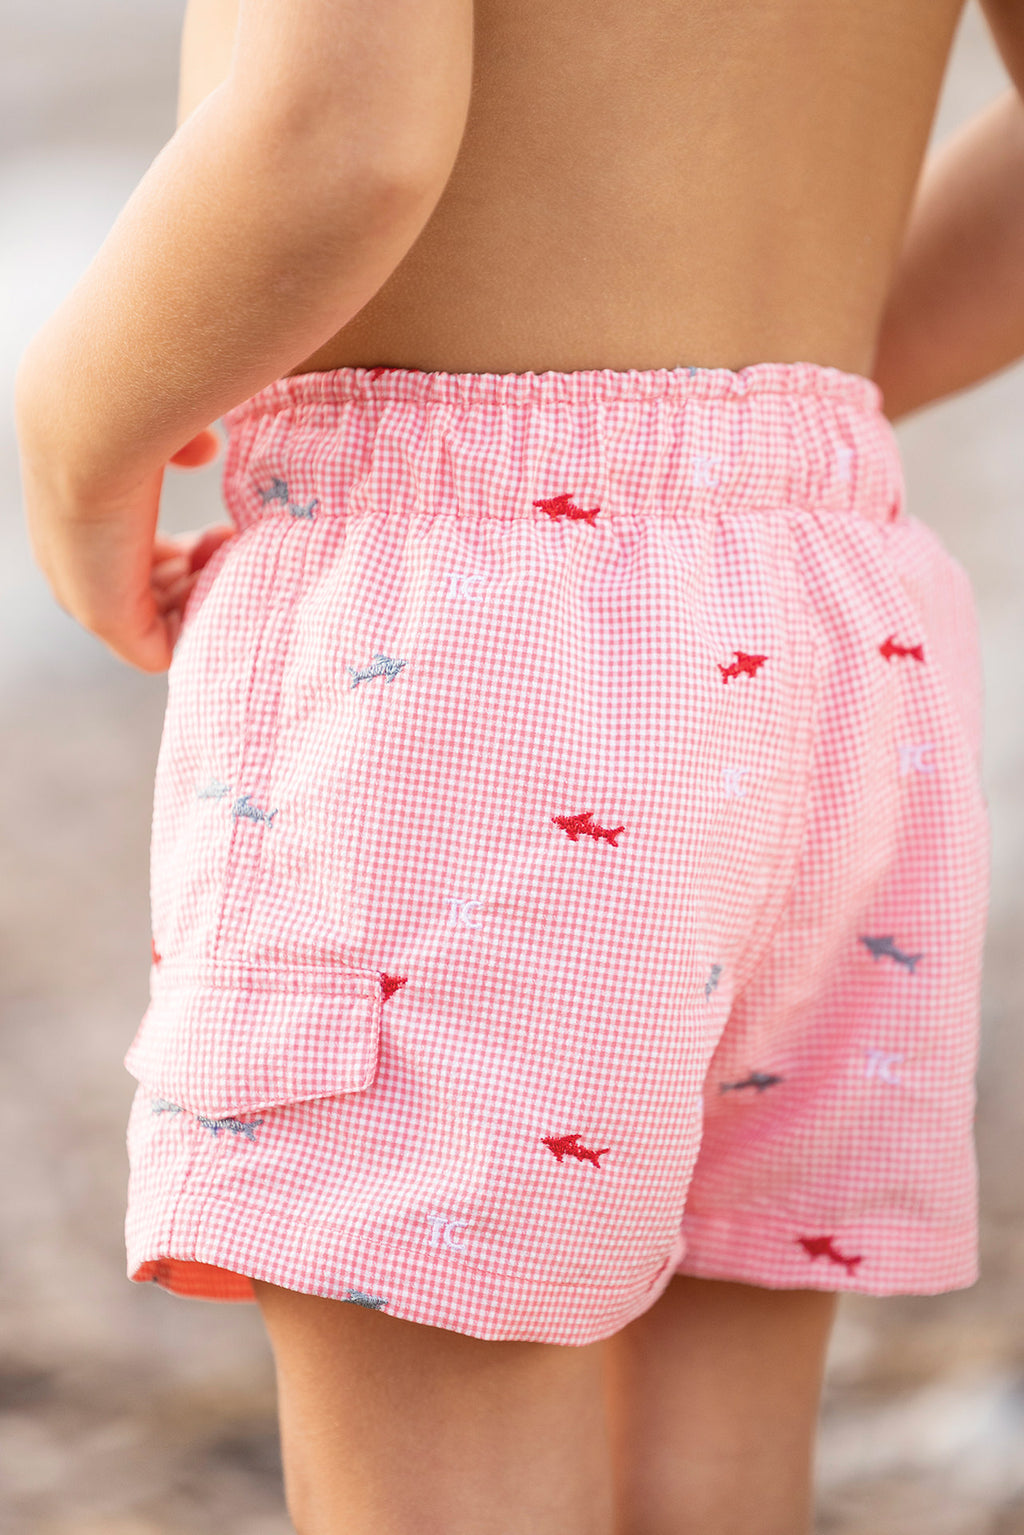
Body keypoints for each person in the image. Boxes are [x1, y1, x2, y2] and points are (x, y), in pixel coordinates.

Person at [13, 0, 1023, 1529]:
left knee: (450, 1463)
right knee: (703, 1474)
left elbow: (342, 140)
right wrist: (736, 426)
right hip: (834, 610)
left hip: (473, 636)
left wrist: (73, 437)